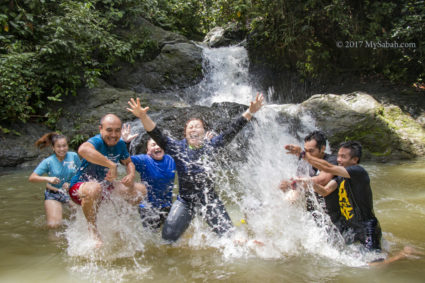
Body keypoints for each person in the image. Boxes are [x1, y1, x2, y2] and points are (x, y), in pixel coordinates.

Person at [127, 93, 264, 242]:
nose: (194, 129)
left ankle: (250, 243)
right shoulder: (176, 148)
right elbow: (156, 133)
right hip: (186, 201)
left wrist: (250, 112)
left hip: (209, 198)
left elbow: (232, 130)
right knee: (167, 238)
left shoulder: (212, 145)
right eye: (190, 127)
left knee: (230, 237)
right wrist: (143, 116)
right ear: (185, 134)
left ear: (204, 132)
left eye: (197, 126)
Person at [69, 114, 147, 247]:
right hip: (81, 187)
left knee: (140, 189)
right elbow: (83, 150)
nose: (114, 134)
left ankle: (119, 221)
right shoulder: (97, 141)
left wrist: (131, 175)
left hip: (106, 187)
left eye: (117, 130)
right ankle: (93, 231)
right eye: (109, 130)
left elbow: (128, 162)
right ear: (101, 129)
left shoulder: (121, 144)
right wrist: (110, 165)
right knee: (95, 188)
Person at [299, 141, 382, 250]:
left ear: (355, 160)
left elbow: (329, 168)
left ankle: (404, 254)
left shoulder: (358, 172)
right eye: (338, 156)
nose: (338, 160)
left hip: (366, 228)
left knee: (375, 265)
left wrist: (304, 156)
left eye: (343, 157)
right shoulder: (340, 177)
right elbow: (325, 191)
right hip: (351, 228)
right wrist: (310, 183)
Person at [121, 124, 176, 230]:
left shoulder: (171, 159)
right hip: (148, 207)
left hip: (167, 205)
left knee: (170, 237)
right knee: (152, 237)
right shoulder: (144, 160)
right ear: (148, 151)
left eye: (159, 144)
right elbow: (125, 161)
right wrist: (125, 143)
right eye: (153, 145)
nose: (157, 147)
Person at [280, 131, 340, 224]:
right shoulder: (304, 163)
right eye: (305, 150)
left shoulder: (332, 160)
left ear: (323, 148)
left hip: (333, 215)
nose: (307, 154)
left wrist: (298, 183)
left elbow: (322, 180)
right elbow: (297, 188)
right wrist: (287, 186)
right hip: (312, 214)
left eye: (311, 151)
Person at [29, 132, 81, 228]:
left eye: (64, 146)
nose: (62, 149)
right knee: (54, 225)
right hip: (53, 194)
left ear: (67, 146)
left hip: (70, 192)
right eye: (58, 146)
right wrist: (47, 178)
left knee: (80, 219)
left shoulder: (73, 156)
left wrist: (71, 183)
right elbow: (32, 178)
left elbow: (80, 173)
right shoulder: (48, 161)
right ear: (53, 148)